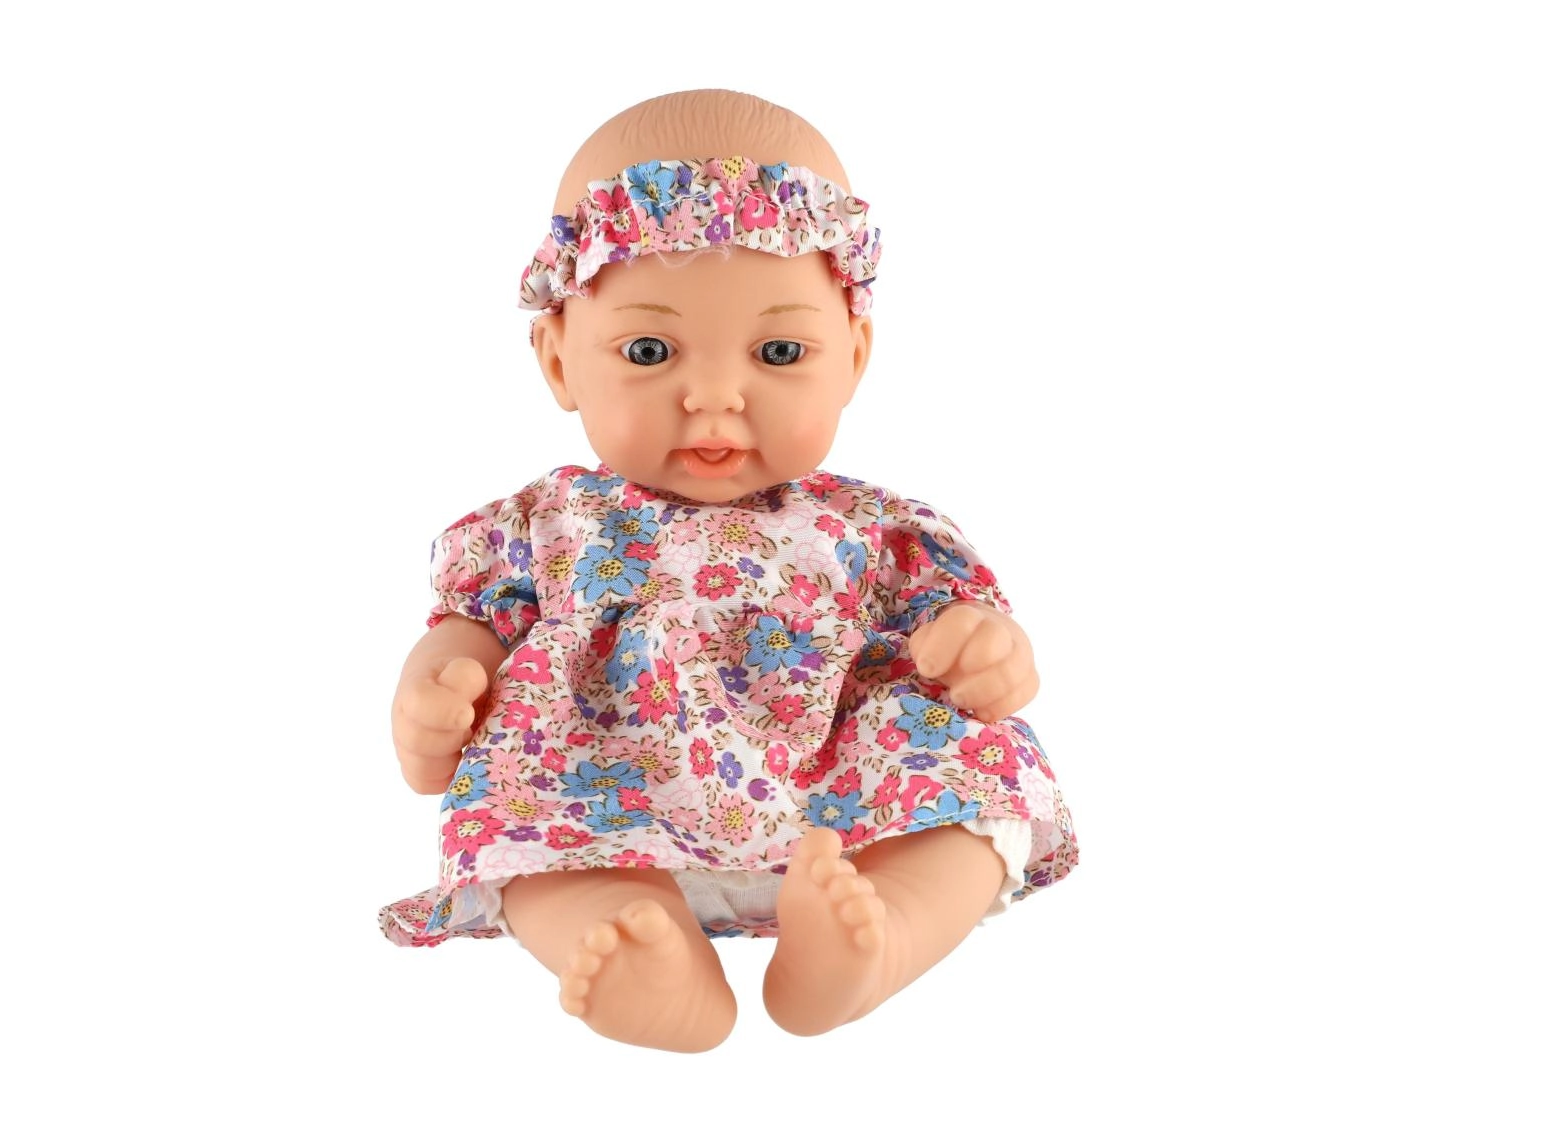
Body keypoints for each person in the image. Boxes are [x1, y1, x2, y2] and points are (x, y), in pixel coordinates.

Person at [381, 89, 1077, 1052]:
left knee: (977, 786)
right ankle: (640, 948)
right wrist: (434, 695)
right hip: (608, 791)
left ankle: (883, 934)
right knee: (526, 836)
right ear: (558, 360)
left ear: (854, 357)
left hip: (849, 800)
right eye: (650, 350)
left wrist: (989, 652)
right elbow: (469, 627)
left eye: (779, 351)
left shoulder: (878, 525)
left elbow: (962, 618)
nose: (713, 396)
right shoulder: (545, 522)